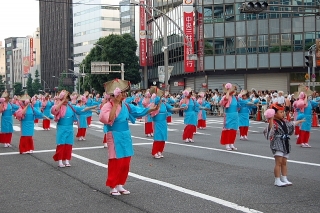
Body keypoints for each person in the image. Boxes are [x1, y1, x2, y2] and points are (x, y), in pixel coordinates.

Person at [99, 79, 159, 196]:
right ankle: (112, 185)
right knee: (116, 160)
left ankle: (120, 183)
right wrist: (115, 104)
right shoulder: (107, 105)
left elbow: (138, 111)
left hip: (125, 134)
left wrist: (150, 109)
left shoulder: (126, 105)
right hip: (114, 134)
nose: (125, 94)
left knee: (126, 160)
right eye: (123, 92)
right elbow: (107, 119)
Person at [51, 91, 96, 167]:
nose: (66, 100)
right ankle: (60, 161)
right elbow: (54, 111)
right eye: (65, 98)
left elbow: (81, 110)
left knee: (69, 144)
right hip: (62, 127)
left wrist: (91, 108)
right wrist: (61, 101)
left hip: (70, 128)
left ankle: (67, 160)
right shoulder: (57, 106)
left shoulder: (71, 106)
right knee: (61, 144)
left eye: (67, 98)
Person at [263, 104, 304, 187]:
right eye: (281, 112)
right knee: (278, 162)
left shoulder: (284, 121)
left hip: (285, 142)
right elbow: (270, 132)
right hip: (277, 142)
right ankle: (277, 180)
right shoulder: (273, 122)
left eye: (283, 112)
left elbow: (291, 124)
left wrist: (299, 121)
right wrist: (270, 119)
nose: (283, 113)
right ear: (274, 114)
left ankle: (284, 178)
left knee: (284, 162)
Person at [149, 86, 182, 159]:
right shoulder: (155, 104)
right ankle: (155, 152)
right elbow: (151, 108)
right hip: (157, 122)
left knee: (163, 136)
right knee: (158, 137)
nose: (162, 97)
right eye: (161, 96)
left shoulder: (164, 104)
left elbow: (172, 108)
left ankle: (160, 151)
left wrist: (180, 108)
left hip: (163, 122)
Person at [219, 83, 239, 150]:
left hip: (235, 115)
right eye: (234, 90)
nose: (234, 92)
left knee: (234, 130)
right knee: (228, 129)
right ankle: (227, 144)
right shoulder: (225, 97)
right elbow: (224, 101)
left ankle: (232, 143)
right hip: (229, 115)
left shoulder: (236, 98)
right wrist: (228, 91)